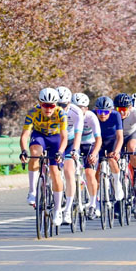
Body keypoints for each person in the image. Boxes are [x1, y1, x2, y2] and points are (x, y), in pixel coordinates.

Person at [19, 88, 68, 226]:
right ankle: (32, 191)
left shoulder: (61, 113)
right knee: (34, 153)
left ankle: (58, 210)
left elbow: (64, 137)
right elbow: (24, 135)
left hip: (56, 138)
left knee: (55, 172)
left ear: (56, 105)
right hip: (39, 136)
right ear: (40, 103)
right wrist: (23, 151)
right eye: (45, 105)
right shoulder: (32, 112)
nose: (48, 109)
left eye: (52, 105)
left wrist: (60, 152)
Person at [56, 86, 84, 224]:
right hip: (56, 140)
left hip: (71, 142)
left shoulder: (76, 112)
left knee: (68, 171)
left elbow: (78, 135)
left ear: (69, 103)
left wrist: (74, 150)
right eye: (58, 104)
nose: (60, 108)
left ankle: (67, 210)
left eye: (64, 105)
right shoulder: (49, 110)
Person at [72, 93, 102, 219]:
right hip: (75, 145)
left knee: (90, 173)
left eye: (81, 107)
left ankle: (93, 203)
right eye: (76, 107)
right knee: (70, 171)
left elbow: (98, 139)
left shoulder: (91, 117)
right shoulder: (69, 116)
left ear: (87, 109)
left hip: (90, 145)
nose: (79, 110)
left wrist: (94, 154)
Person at [113, 93, 136, 205]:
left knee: (132, 147)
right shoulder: (113, 114)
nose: (121, 112)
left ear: (130, 108)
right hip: (118, 136)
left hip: (132, 134)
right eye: (118, 109)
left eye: (124, 109)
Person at [94, 96, 124, 211]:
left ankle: (117, 183)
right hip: (98, 141)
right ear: (96, 110)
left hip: (112, 140)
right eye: (100, 111)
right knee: (97, 167)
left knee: (112, 159)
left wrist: (116, 151)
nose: (102, 114)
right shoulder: (92, 115)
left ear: (111, 111)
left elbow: (120, 137)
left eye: (106, 112)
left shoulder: (116, 115)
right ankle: (96, 198)